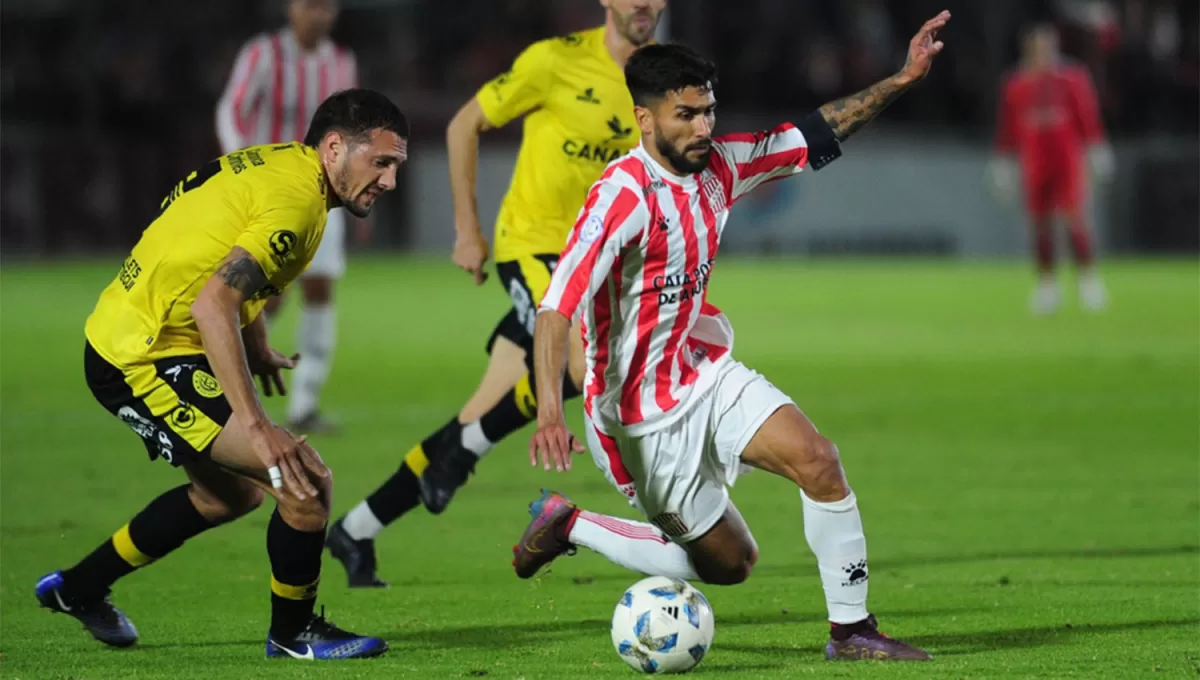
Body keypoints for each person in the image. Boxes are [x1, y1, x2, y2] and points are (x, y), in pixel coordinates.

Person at [515, 13, 953, 662]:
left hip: (704, 375)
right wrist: (551, 413)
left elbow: (817, 130)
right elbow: (554, 310)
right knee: (730, 564)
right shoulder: (621, 198)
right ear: (645, 119)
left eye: (708, 111)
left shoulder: (722, 164)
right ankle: (570, 523)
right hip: (637, 421)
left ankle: (853, 632)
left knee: (820, 461)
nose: (703, 128)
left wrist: (903, 78)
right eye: (686, 115)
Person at [35, 89, 408, 660]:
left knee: (227, 498)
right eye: (380, 162)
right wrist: (257, 426)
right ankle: (293, 634)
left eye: (396, 166)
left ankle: (78, 588)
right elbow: (214, 305)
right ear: (335, 147)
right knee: (304, 484)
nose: (389, 181)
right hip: (143, 354)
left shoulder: (282, 163)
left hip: (139, 330)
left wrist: (255, 339)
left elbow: (215, 246)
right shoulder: (297, 206)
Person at [326, 0, 667, 588]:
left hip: (601, 262)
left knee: (478, 415)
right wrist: (467, 229)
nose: (644, 3)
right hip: (535, 248)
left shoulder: (664, 80)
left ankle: (356, 529)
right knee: (584, 365)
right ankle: (660, 523)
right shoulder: (555, 61)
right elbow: (464, 124)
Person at [216, 0, 363, 432]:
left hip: (325, 193)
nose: (317, 14)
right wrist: (240, 167)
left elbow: (352, 131)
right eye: (309, 5)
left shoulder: (341, 61)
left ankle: (304, 405)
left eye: (325, 6)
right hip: (271, 193)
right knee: (266, 295)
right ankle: (226, 390)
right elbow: (231, 109)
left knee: (320, 289)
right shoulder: (263, 54)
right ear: (290, 8)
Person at [988, 22, 1114, 315]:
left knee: (1075, 218)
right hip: (1035, 161)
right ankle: (1047, 285)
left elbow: (1086, 115)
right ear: (1028, 48)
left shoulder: (1071, 78)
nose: (1044, 52)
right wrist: (1003, 162)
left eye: (1048, 45)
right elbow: (1008, 127)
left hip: (1067, 159)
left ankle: (1088, 281)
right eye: (1038, 46)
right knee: (1040, 223)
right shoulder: (1016, 83)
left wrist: (1097, 148)